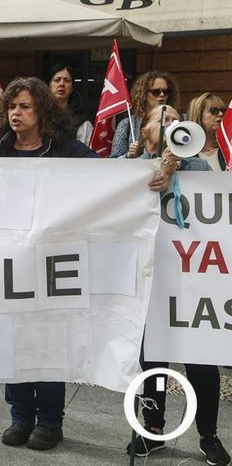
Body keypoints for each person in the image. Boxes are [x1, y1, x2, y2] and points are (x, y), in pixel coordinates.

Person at [0, 77, 97, 450]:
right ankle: (20, 416)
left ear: (42, 111)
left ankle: (49, 421)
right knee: (13, 342)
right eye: (12, 107)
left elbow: (107, 180)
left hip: (51, 266)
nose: (16, 113)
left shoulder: (66, 150)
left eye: (24, 107)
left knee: (48, 343)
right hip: (9, 265)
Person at [126, 105, 229, 465]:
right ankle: (153, 429)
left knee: (201, 356)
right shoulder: (128, 168)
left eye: (175, 120)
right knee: (151, 357)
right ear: (145, 131)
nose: (170, 125)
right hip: (151, 281)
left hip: (193, 280)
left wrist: (177, 166)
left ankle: (208, 434)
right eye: (160, 119)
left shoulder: (199, 167)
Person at [111, 70, 180, 158]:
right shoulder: (128, 124)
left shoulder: (175, 120)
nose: (162, 95)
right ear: (143, 94)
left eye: (166, 91)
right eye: (156, 92)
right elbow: (114, 160)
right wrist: (129, 156)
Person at [47, 65, 93, 145]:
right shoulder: (38, 117)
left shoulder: (83, 124)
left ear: (72, 88)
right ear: (49, 85)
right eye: (57, 80)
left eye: (67, 80)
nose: (61, 84)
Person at [187, 93, 227, 171]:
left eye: (223, 110)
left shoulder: (229, 149)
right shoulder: (184, 152)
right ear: (199, 115)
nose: (220, 114)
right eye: (213, 110)